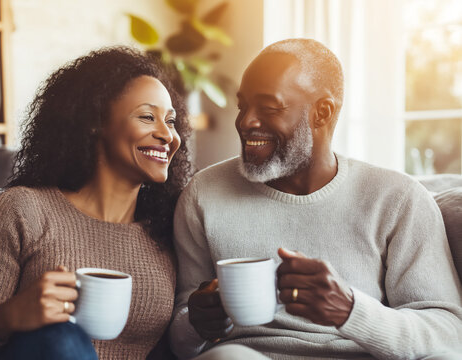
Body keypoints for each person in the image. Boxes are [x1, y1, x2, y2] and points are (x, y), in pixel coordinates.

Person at [169, 38, 462, 359]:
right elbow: (181, 342)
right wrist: (196, 322)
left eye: (269, 107)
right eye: (243, 105)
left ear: (322, 112)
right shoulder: (204, 193)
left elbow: (449, 334)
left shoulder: (398, 198)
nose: (246, 121)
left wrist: (350, 310)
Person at [0, 46, 192, 360]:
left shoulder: (167, 229)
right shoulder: (24, 210)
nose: (167, 135)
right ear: (96, 122)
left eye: (171, 121)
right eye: (148, 117)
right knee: (61, 336)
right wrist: (10, 315)